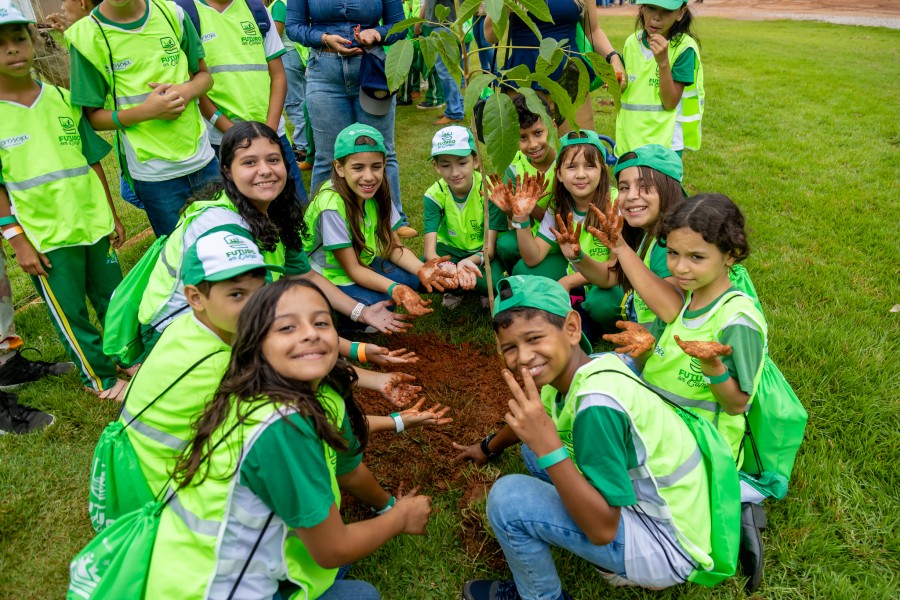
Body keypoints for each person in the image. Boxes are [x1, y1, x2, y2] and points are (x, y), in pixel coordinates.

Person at [117, 229, 446, 517]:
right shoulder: (243, 372)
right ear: (195, 297)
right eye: (236, 294)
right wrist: (393, 511)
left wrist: (379, 388)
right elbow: (334, 445)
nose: (256, 306)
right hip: (170, 503)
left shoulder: (199, 330)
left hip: (139, 475)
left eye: (258, 291)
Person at [145, 277, 434, 598]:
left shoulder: (276, 394)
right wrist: (400, 517)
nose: (310, 333)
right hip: (210, 588)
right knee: (361, 593)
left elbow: (341, 453)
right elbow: (332, 550)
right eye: (286, 328)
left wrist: (397, 422)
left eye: (320, 322)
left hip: (200, 558)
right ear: (257, 345)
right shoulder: (284, 430)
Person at [459, 275, 739, 598]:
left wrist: (551, 449)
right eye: (510, 348)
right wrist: (487, 447)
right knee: (532, 453)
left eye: (534, 338)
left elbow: (603, 530)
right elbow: (536, 419)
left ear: (572, 328)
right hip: (671, 513)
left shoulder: (596, 406)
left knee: (508, 500)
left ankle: (541, 595)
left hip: (667, 545)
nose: (523, 357)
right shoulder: (593, 366)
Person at [138, 121, 411, 350]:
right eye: (249, 162)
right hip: (176, 334)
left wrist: (362, 313)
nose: (265, 170)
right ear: (228, 172)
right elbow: (262, 316)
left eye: (273, 160)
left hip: (229, 320)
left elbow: (305, 276)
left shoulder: (274, 211)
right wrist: (352, 350)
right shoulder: (221, 230)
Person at [0, 5, 132, 402]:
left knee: (116, 299)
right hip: (47, 237)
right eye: (1, 45)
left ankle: (129, 358)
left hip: (93, 224)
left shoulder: (61, 97)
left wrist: (110, 213)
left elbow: (92, 160)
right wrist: (18, 240)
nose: (13, 50)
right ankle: (101, 379)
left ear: (35, 40)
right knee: (72, 314)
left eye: (20, 39)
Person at [603, 194, 766, 464]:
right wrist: (642, 350)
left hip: (697, 454)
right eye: (672, 253)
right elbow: (653, 368)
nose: (680, 267)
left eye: (696, 257)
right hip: (656, 429)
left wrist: (713, 367)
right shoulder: (686, 298)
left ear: (731, 255)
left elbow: (736, 405)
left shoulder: (737, 320)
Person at [65, 0, 219, 237]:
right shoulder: (86, 36)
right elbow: (93, 118)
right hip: (154, 174)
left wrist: (186, 91)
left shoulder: (172, 13)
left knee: (226, 239)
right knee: (178, 255)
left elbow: (204, 77)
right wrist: (146, 112)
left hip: (203, 159)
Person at [285, 0, 418, 238]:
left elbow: (400, 25)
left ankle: (391, 220)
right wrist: (325, 38)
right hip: (324, 73)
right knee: (328, 155)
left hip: (372, 70)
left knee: (382, 150)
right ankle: (323, 223)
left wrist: (377, 32)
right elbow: (293, 27)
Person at [304, 123, 457, 318]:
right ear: (339, 168)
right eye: (358, 167)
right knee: (383, 304)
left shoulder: (377, 192)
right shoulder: (331, 207)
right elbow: (351, 269)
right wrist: (395, 288)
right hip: (330, 277)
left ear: (384, 164)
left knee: (412, 278)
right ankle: (331, 312)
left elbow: (393, 246)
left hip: (362, 264)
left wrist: (421, 269)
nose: (369, 177)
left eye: (376, 167)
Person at [490, 131, 623, 332]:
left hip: (611, 276)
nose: (580, 174)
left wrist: (569, 281)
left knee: (601, 304)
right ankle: (577, 306)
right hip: (576, 270)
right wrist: (521, 217)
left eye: (589, 166)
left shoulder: (615, 202)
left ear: (603, 171)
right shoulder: (559, 205)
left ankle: (594, 318)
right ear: (559, 174)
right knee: (523, 272)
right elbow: (533, 258)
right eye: (571, 167)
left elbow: (615, 265)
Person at [186, 0, 308, 205]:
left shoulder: (257, 11)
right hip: (221, 140)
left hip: (271, 135)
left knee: (294, 209)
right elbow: (196, 88)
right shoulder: (187, 14)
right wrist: (232, 132)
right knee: (239, 212)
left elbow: (278, 76)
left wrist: (267, 132)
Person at [555, 144, 687, 328]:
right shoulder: (642, 232)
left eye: (644, 186)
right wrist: (578, 257)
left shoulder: (670, 241)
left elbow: (671, 309)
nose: (631, 196)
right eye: (624, 188)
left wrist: (622, 249)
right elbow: (611, 277)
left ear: (669, 188)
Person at [483, 0, 625, 130]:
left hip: (571, 81)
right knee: (531, 152)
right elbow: (490, 36)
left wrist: (613, 58)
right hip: (525, 82)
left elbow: (593, 32)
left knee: (580, 149)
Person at [422, 126, 505, 308]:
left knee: (490, 283)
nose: (455, 172)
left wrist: (468, 262)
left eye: (462, 163)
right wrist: (449, 268)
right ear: (436, 167)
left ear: (475, 161)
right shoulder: (434, 195)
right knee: (424, 271)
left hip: (480, 254)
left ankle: (478, 288)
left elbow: (489, 249)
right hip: (449, 251)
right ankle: (456, 289)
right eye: (445, 165)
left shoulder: (490, 189)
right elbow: (429, 252)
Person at [615, 0, 704, 157]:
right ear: (642, 8)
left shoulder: (684, 48)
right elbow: (625, 88)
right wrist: (617, 83)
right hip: (629, 140)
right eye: (651, 8)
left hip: (665, 144)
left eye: (667, 11)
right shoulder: (631, 42)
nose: (656, 17)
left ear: (680, 13)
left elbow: (670, 102)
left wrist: (663, 62)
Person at [495, 95, 559, 275]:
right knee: (506, 245)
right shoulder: (514, 167)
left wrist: (529, 209)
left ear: (552, 126)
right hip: (531, 236)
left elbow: (564, 221)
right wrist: (511, 210)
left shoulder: (569, 160)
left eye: (538, 133)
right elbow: (522, 221)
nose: (533, 144)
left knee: (524, 271)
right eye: (522, 137)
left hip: (565, 241)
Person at [268, 0, 310, 167]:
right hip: (296, 55)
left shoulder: (279, 4)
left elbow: (274, 35)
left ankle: (302, 148)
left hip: (287, 57)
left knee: (294, 103)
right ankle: (306, 144)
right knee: (303, 102)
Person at [414, 0, 463, 126]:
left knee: (446, 69)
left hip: (445, 24)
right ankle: (455, 107)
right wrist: (418, 23)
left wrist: (419, 23)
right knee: (448, 68)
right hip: (437, 24)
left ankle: (454, 112)